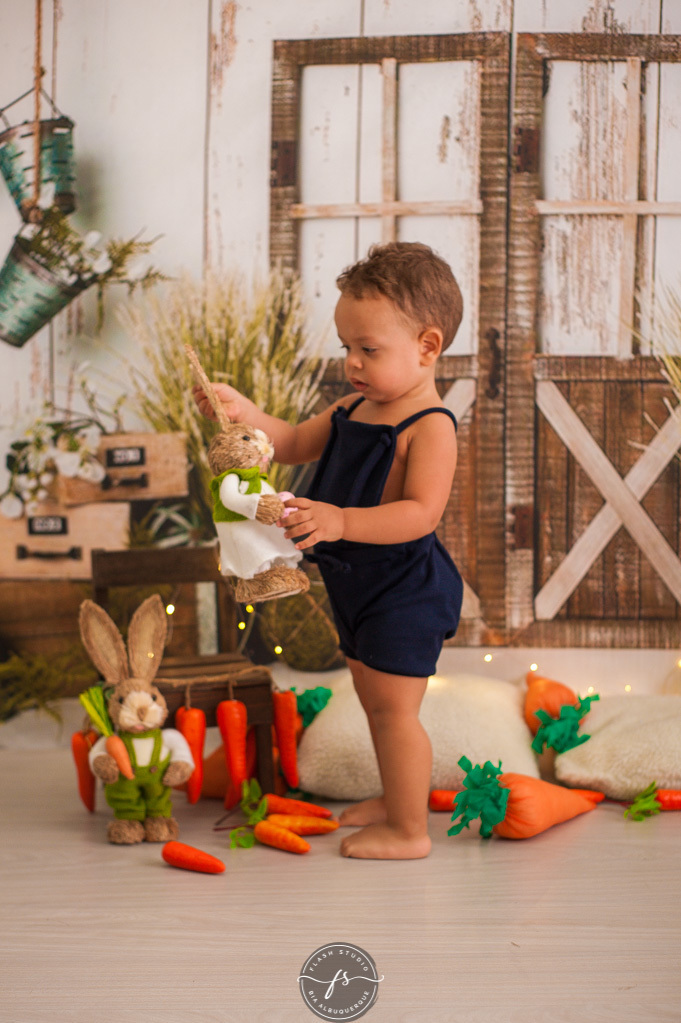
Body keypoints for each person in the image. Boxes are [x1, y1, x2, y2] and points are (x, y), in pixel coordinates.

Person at [193, 241, 464, 860]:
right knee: (372, 700)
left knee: (396, 712)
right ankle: (396, 800)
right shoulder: (352, 407)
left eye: (369, 349)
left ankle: (409, 830)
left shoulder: (430, 426)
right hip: (354, 582)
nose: (352, 363)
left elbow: (421, 514)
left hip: (404, 588)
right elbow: (290, 443)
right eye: (347, 346)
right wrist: (246, 412)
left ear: (427, 346)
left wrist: (339, 520)